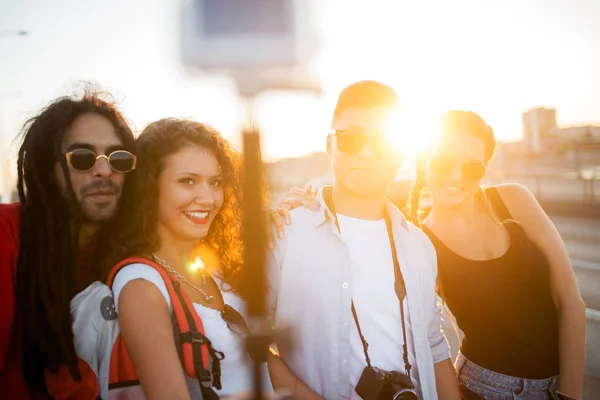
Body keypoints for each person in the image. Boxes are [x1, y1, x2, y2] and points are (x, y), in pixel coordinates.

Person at [279, 110, 586, 400]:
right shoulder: (418, 242)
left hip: (556, 386)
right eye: (444, 162)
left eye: (471, 167)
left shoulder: (514, 200)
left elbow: (570, 302)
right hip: (479, 388)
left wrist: (569, 395)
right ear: (425, 162)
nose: (456, 175)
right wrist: (299, 209)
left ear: (484, 170)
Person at [265, 81, 460, 400]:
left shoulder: (419, 245)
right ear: (330, 145)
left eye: (382, 142)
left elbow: (434, 346)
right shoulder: (285, 231)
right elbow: (243, 335)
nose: (367, 153)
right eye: (352, 139)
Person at [103, 118, 274, 398]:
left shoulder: (215, 272)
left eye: (216, 182)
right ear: (150, 187)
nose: (207, 198)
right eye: (188, 181)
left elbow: (273, 371)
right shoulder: (140, 284)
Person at [0, 92, 137, 399]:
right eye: (83, 158)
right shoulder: (7, 232)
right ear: (49, 169)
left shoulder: (133, 251)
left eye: (119, 158)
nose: (104, 171)